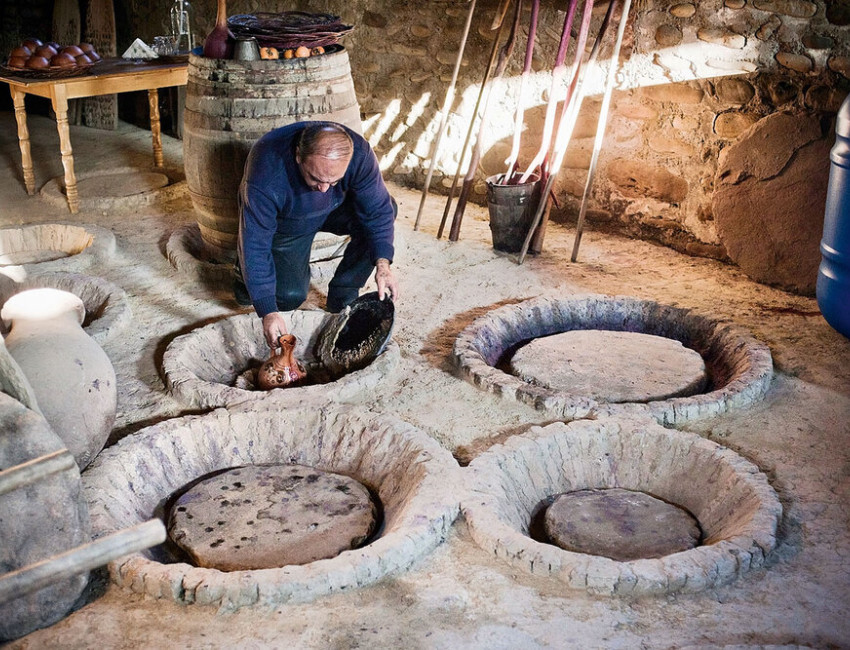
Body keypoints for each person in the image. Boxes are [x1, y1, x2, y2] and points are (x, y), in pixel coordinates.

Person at [234, 121, 400, 350]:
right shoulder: (267, 171)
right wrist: (267, 310)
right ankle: (240, 271)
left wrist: (383, 264)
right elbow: (255, 244)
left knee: (387, 210)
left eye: (334, 181)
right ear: (298, 157)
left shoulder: (359, 154)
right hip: (288, 223)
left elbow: (377, 211)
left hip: (335, 209)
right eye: (316, 178)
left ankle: (343, 296)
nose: (324, 187)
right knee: (288, 297)